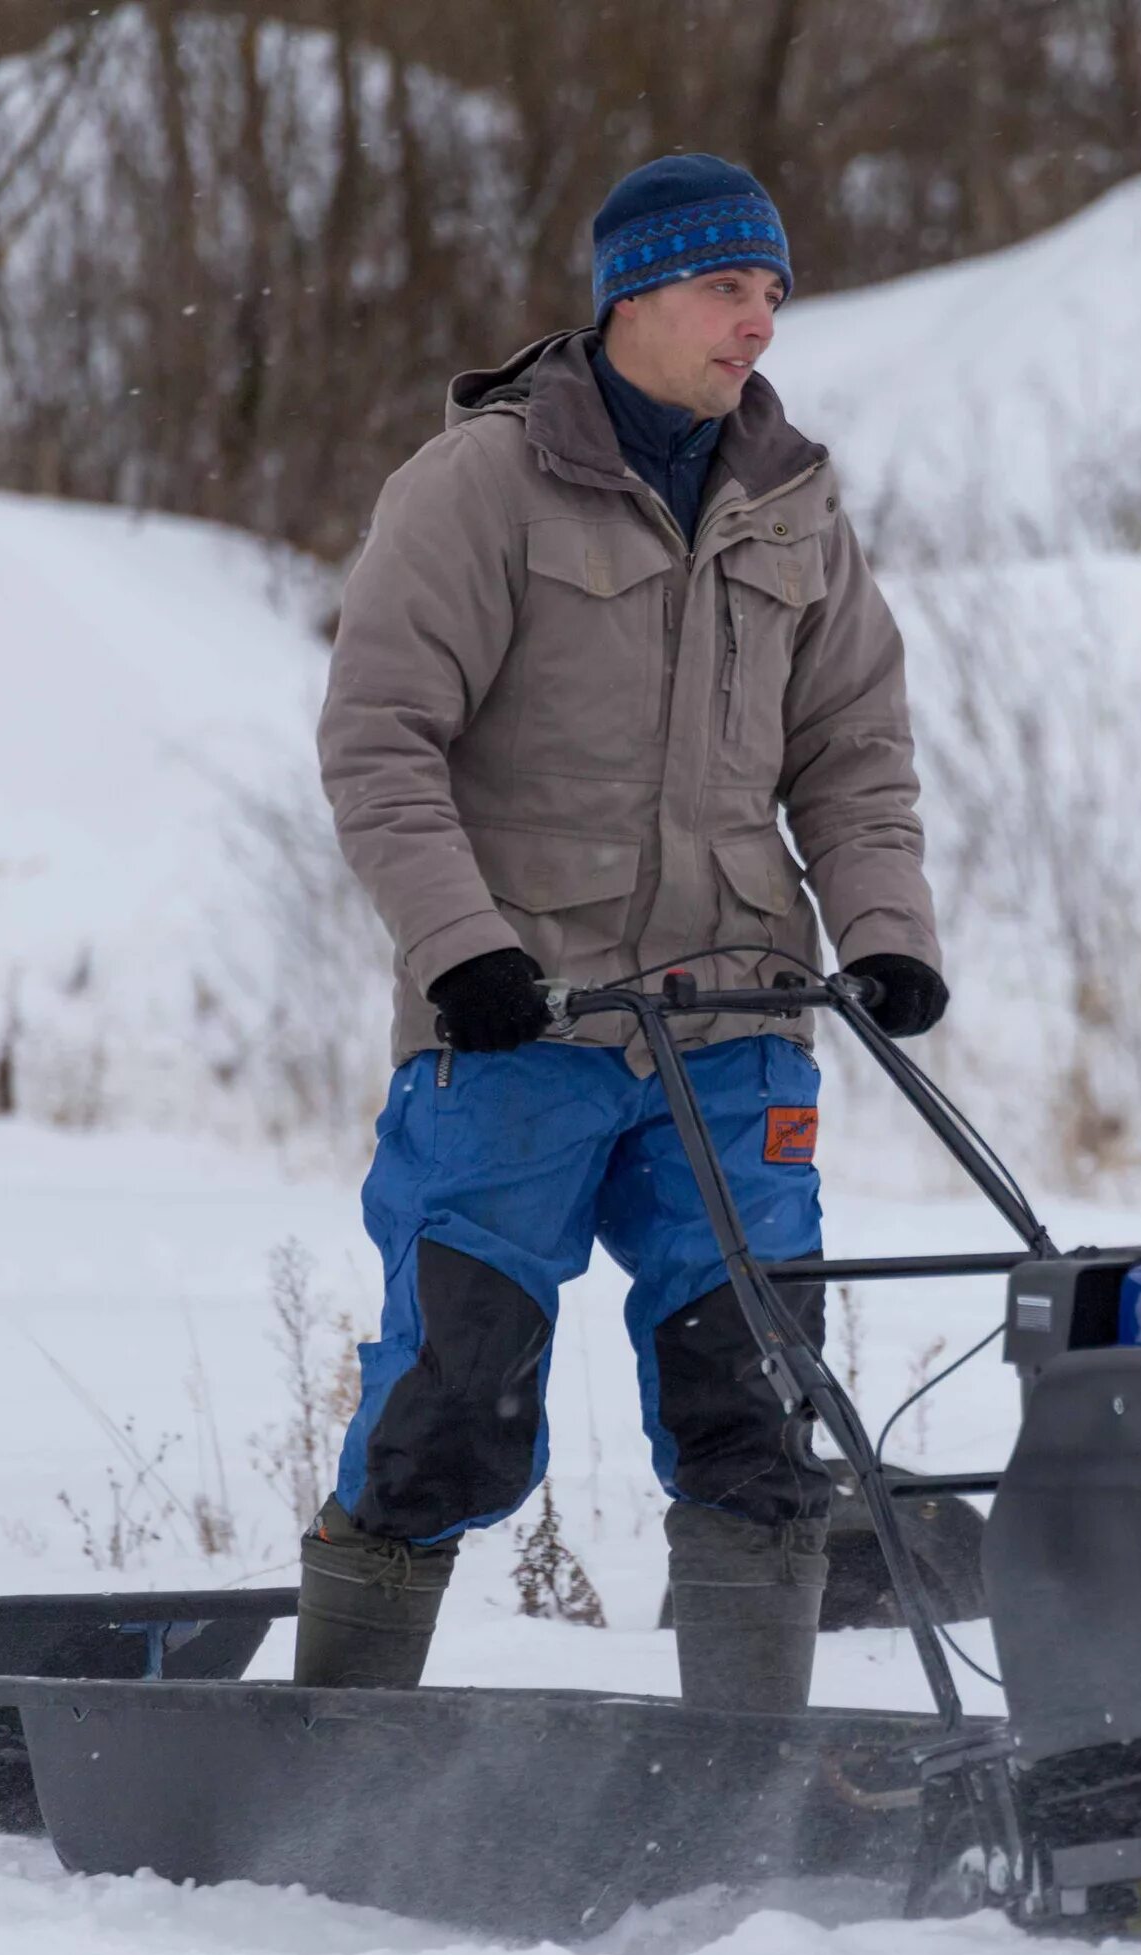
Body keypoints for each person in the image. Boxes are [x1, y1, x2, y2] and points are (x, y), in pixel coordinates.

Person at [305, 153, 947, 1710]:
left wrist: (884, 933)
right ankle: (322, 1755)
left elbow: (851, 748)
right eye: (732, 288)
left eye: (775, 293)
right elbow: (381, 737)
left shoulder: (795, 503)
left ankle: (743, 1794)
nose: (760, 326)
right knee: (453, 1399)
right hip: (523, 1026)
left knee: (759, 1400)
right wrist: (463, 951)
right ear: (635, 295)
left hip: (735, 1018)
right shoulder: (478, 488)